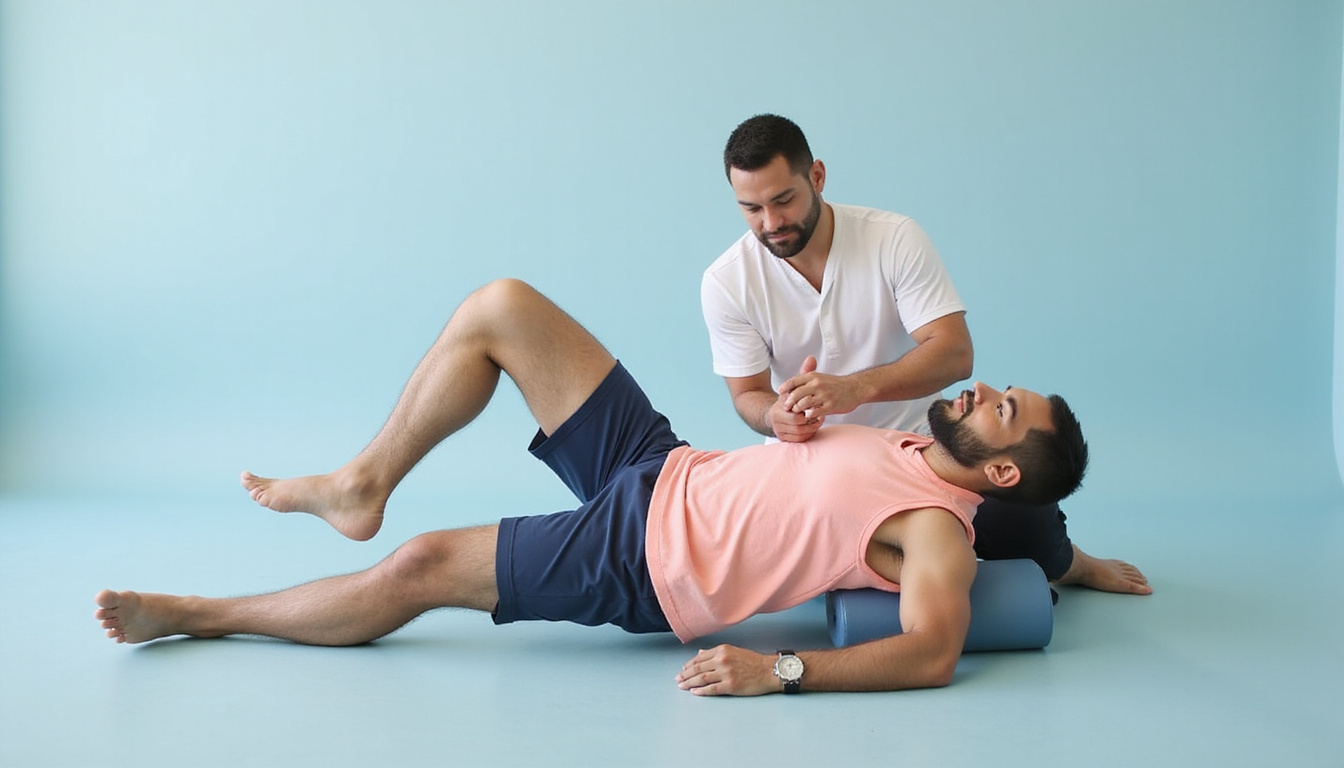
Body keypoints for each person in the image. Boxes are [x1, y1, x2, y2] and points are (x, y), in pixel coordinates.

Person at [95, 278, 1089, 696]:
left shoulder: (939, 532)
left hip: (651, 561)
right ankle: (362, 480)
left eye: (1006, 407)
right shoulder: (914, 446)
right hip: (664, 467)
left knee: (420, 568)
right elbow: (1035, 529)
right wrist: (1072, 563)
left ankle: (201, 613)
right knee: (503, 308)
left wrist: (777, 673)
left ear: (999, 471)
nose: (986, 388)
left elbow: (930, 652)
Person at [701, 114, 1149, 595]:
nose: (771, 224)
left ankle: (1069, 562)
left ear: (817, 177)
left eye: (783, 200)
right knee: (793, 558)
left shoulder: (892, 238)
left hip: (928, 453)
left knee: (1024, 511)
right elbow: (748, 394)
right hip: (817, 466)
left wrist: (855, 388)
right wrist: (775, 418)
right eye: (751, 209)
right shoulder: (727, 281)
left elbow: (954, 352)